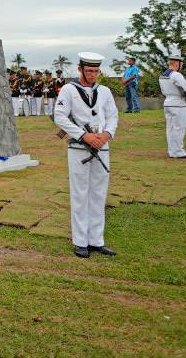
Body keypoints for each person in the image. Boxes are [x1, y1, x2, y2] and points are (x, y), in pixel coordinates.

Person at [53, 52, 119, 259]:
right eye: (89, 70)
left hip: (102, 146)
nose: (92, 74)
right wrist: (84, 136)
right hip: (79, 148)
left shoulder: (105, 91)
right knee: (80, 194)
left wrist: (107, 134)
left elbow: (112, 115)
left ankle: (96, 240)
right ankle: (81, 241)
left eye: (96, 71)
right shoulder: (68, 89)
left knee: (99, 194)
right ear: (80, 69)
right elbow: (60, 117)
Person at [160, 52, 186, 159]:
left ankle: (172, 151)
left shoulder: (163, 75)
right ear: (177, 64)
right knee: (179, 129)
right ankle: (179, 152)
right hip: (178, 104)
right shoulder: (176, 75)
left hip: (168, 103)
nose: (182, 66)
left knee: (170, 128)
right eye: (181, 64)